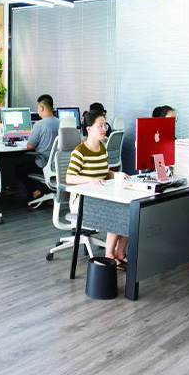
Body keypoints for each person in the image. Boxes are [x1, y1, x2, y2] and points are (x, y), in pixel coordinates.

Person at [66, 110, 130, 269]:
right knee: (117, 212)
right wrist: (89, 179)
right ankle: (109, 255)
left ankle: (120, 253)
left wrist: (117, 175)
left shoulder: (102, 148)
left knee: (130, 211)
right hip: (82, 201)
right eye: (99, 126)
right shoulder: (79, 151)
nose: (104, 129)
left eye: (105, 125)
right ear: (89, 129)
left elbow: (105, 173)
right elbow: (69, 178)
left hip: (100, 196)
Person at [15, 94, 60, 201]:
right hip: (57, 165)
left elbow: (30, 146)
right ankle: (46, 192)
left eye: (38, 107)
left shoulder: (39, 124)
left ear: (42, 108)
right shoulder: (60, 122)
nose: (38, 110)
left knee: (19, 169)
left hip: (43, 165)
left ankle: (36, 191)